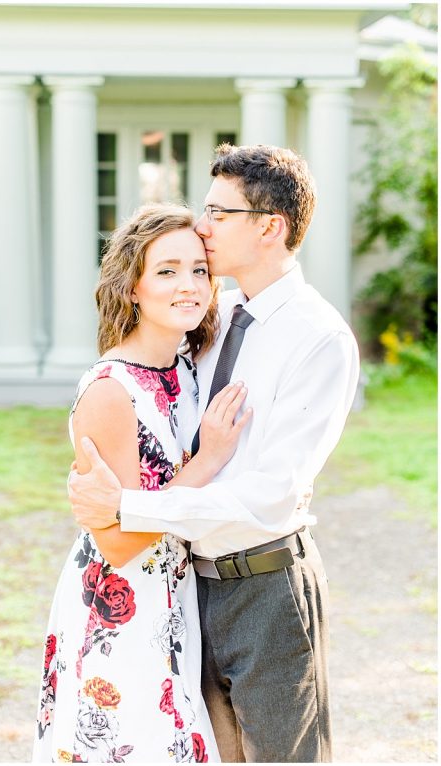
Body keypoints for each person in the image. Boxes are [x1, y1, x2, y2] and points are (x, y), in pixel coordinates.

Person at [67, 144, 360, 762]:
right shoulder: (212, 314)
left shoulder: (319, 338)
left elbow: (270, 495)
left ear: (270, 227)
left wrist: (130, 508)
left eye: (218, 213)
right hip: (188, 589)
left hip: (267, 587)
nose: (202, 229)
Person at [34, 204, 253, 763]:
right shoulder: (111, 390)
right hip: (121, 606)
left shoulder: (187, 368)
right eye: (166, 271)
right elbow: (117, 540)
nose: (189, 285)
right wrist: (209, 459)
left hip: (176, 597)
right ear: (132, 287)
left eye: (200, 270)